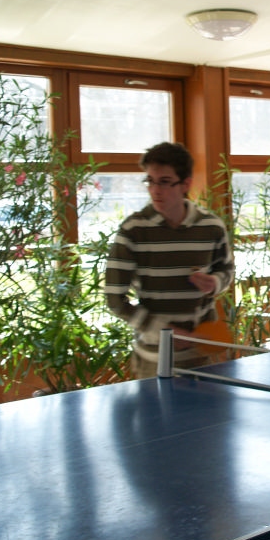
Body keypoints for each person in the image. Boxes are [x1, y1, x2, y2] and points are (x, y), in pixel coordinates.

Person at [105, 142, 235, 378]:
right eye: (150, 181)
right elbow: (114, 299)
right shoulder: (133, 230)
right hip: (154, 359)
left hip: (204, 354)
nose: (155, 190)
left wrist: (215, 282)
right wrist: (164, 332)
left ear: (186, 184)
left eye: (164, 182)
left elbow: (226, 269)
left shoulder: (211, 226)